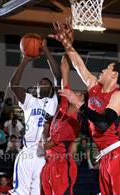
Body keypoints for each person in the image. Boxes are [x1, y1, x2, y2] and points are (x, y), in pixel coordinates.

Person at [51, 21, 120, 195]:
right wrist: (66, 43)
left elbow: (104, 124)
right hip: (106, 156)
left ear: (114, 75)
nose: (103, 70)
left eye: (107, 68)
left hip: (118, 155)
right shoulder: (95, 87)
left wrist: (79, 103)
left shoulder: (119, 95)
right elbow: (78, 64)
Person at [9, 38, 61, 195]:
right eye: (40, 83)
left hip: (43, 157)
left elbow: (59, 77)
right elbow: (14, 85)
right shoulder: (29, 101)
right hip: (27, 154)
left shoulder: (53, 102)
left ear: (51, 89)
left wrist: (45, 51)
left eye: (46, 83)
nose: (43, 83)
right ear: (36, 89)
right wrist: (26, 58)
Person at [41, 55, 80, 195]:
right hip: (50, 163)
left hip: (62, 166)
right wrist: (67, 44)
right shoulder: (64, 104)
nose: (77, 93)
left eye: (80, 95)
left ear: (80, 104)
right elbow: (64, 69)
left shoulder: (71, 124)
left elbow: (45, 145)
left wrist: (45, 129)